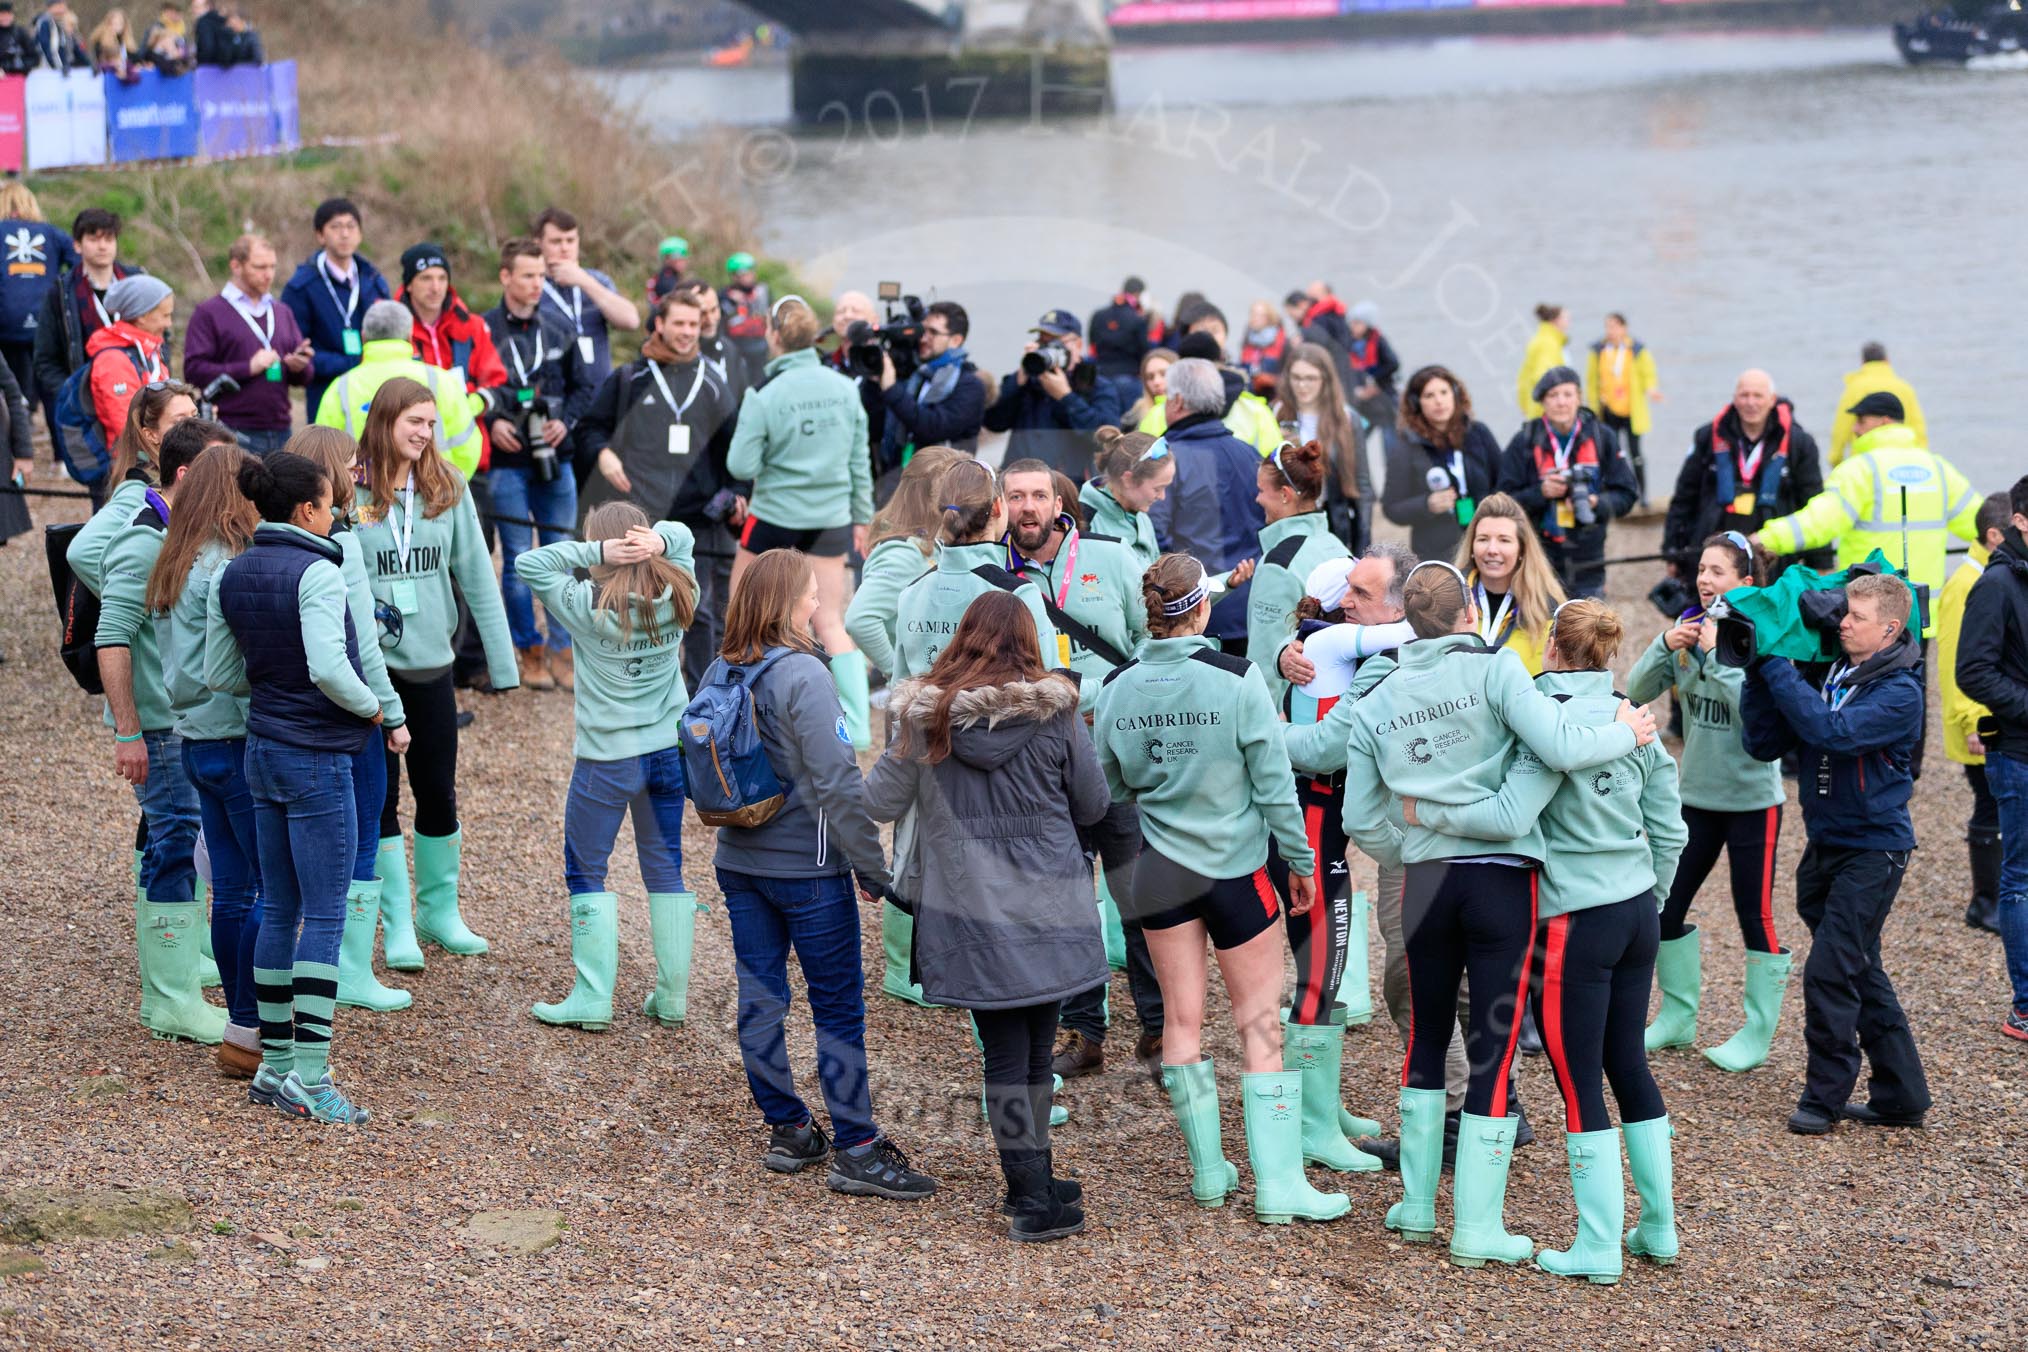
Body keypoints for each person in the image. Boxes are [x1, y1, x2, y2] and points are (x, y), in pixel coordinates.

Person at [1337, 560, 1654, 1263]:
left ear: (1404, 620)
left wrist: (1416, 839)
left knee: (1424, 1037)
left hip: (1425, 879)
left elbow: (1363, 817)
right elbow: (1563, 747)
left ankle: (1419, 1209)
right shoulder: (1498, 670)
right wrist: (1628, 733)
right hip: (1500, 884)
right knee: (1491, 1046)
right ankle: (1476, 1228)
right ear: (1465, 617)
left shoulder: (1379, 693)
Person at [1407, 599, 1686, 1284]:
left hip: (1573, 924)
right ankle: (1658, 1226)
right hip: (1635, 913)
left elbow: (1509, 813)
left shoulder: (1535, 715)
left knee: (1578, 1081)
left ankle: (1597, 1246)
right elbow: (1671, 830)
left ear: (1552, 649)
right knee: (1629, 1065)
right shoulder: (1634, 719)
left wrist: (1426, 811)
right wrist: (1648, 899)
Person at [1092, 554, 1344, 1225]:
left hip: (1160, 869)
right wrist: (1300, 860)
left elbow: (1108, 787)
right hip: (1234, 871)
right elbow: (1273, 785)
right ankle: (1278, 1185)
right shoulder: (1238, 680)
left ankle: (1208, 1173)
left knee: (1180, 1022)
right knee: (1260, 1025)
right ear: (1202, 607)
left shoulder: (1115, 687)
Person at [864, 592, 1108, 1241]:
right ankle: (1029, 1198)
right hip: (1050, 900)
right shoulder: (1058, 714)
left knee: (1010, 1050)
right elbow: (1093, 802)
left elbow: (879, 800)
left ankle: (1034, 1177)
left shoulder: (927, 718)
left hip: (969, 906)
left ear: (961, 641)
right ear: (1030, 642)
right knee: (1030, 1050)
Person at [709, 548, 937, 1201]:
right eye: (810, 595)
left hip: (738, 859)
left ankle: (788, 1127)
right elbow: (837, 782)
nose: (817, 604)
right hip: (806, 870)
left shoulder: (721, 667)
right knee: (837, 1006)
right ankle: (858, 1148)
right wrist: (870, 865)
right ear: (787, 603)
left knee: (761, 997)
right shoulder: (803, 676)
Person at [210, 451, 382, 1125]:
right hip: (316, 754)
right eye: (330, 504)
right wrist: (371, 706)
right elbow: (330, 668)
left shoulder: (235, 569)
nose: (338, 512)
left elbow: (219, 673)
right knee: (327, 915)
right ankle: (311, 1076)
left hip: (261, 751)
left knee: (280, 910)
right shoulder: (320, 570)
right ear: (307, 511)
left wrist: (271, 686)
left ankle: (276, 1069)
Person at [1742, 574, 1931, 1135]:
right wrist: (1760, 670)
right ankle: (1902, 1093)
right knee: (1858, 968)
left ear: (1890, 629)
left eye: (1857, 617)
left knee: (1829, 972)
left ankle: (1824, 1099)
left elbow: (1833, 732)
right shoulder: (1832, 669)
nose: (1842, 622)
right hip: (1827, 845)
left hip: (1875, 849)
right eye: (1844, 613)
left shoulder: (1901, 692)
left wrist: (1776, 662)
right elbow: (1764, 744)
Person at [996, 458, 1158, 1085]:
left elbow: (1153, 640)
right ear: (1001, 506)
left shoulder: (1111, 558)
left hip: (1111, 755)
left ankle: (1159, 1026)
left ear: (1058, 499)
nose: (1028, 507)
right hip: (1041, 763)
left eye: (1038, 494)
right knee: (1063, 901)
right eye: (1015, 497)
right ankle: (1082, 1031)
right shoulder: (995, 572)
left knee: (1137, 893)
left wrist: (1093, 696)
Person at [351, 379, 519, 966]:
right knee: (379, 797)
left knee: (438, 789)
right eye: (413, 422)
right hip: (371, 671)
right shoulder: (350, 488)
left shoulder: (447, 486)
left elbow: (476, 571)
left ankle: (438, 912)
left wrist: (502, 664)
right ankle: (396, 926)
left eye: (430, 422)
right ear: (386, 421)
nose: (424, 433)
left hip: (432, 667)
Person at [884, 459, 1061, 1005]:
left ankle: (910, 975)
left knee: (922, 868)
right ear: (1000, 512)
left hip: (931, 756)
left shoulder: (914, 591)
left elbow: (898, 691)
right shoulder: (1019, 595)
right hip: (1000, 773)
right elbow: (1048, 693)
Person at [517, 503, 698, 1031]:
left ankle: (593, 1000)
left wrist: (595, 551)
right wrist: (661, 544)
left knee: (587, 871)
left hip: (606, 760)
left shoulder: (581, 601)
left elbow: (531, 565)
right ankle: (672, 998)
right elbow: (683, 537)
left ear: (605, 549)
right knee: (665, 870)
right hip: (667, 752)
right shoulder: (681, 590)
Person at [79, 419, 224, 1045]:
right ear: (187, 475)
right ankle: (169, 999)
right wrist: (128, 733)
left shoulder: (178, 531)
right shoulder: (144, 540)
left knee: (180, 840)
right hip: (159, 731)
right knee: (174, 841)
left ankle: (181, 969)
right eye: (220, 471)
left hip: (180, 723)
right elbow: (109, 636)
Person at [1626, 532, 1791, 1072]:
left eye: (1717, 572)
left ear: (1745, 584)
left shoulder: (1757, 640)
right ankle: (1677, 1017)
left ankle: (1757, 1032)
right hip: (1694, 797)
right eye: (1701, 568)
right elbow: (1635, 690)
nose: (1704, 579)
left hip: (1752, 801)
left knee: (1755, 914)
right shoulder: (1690, 631)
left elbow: (1755, 720)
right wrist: (1666, 644)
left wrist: (1717, 657)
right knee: (1666, 908)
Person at [288, 427, 411, 1013]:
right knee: (360, 836)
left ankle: (302, 959)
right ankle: (352, 971)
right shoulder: (343, 541)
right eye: (352, 464)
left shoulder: (269, 541)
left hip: (288, 717)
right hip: (348, 714)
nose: (360, 473)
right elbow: (362, 640)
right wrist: (391, 713)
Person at [147, 438, 261, 1071]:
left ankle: (238, 1028)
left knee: (232, 891)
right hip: (234, 733)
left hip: (192, 737)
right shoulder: (224, 563)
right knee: (261, 888)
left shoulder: (173, 557)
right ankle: (251, 1025)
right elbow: (232, 658)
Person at [575, 290, 745, 694]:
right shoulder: (628, 379)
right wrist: (603, 456)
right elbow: (589, 429)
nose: (688, 332)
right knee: (631, 599)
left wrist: (737, 492)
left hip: (697, 517)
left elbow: (736, 450)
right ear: (660, 324)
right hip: (639, 512)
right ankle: (631, 682)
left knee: (698, 608)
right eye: (679, 323)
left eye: (694, 324)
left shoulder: (714, 383)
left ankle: (702, 693)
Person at [725, 295, 874, 747]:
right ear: (814, 338)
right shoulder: (846, 390)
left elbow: (740, 463)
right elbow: (858, 461)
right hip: (829, 518)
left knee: (745, 615)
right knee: (829, 620)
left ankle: (737, 715)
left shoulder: (765, 396)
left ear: (773, 337)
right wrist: (862, 518)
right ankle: (858, 727)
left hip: (773, 517)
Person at [1755, 391, 1981, 642]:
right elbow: (1982, 523)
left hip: (1869, 614)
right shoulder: (1938, 469)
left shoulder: (1861, 469)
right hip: (1920, 611)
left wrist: (1764, 540)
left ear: (1884, 422)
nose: (1855, 428)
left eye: (1861, 420)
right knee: (1912, 681)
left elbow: (1819, 522)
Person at [484, 237, 597, 692]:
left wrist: (565, 423)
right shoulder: (484, 329)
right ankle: (528, 650)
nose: (536, 285)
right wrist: (490, 421)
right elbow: (468, 386)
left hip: (556, 458)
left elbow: (584, 388)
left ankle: (562, 649)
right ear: (506, 276)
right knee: (516, 560)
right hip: (508, 461)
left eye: (541, 276)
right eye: (527, 275)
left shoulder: (560, 328)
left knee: (563, 558)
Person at [1957, 474, 2028, 1043]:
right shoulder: (1996, 584)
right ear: (2019, 522)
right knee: (2021, 879)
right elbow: (1972, 671)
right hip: (2018, 752)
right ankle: (2025, 1005)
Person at [1146, 358, 1265, 651]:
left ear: (1177, 401)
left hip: (1190, 615)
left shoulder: (1166, 461)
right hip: (1250, 609)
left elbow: (1153, 536)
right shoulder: (1249, 454)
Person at [1663, 369, 1828, 579]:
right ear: (1734, 399)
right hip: (1714, 550)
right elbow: (1684, 497)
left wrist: (1821, 562)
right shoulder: (1707, 437)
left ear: (1772, 400)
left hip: (1772, 556)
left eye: (1758, 396)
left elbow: (1814, 504)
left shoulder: (1800, 443)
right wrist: (1672, 551)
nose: (1751, 403)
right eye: (1744, 395)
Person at [1497, 365, 1639, 598]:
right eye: (1553, 396)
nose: (1561, 402)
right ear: (1543, 402)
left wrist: (1595, 503)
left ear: (1579, 398)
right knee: (1541, 629)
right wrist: (1540, 493)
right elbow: (1502, 501)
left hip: (1588, 556)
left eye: (1567, 394)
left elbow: (1627, 494)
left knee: (1587, 629)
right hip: (1538, 555)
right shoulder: (1524, 440)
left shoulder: (1602, 436)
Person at [1940, 493, 2013, 935]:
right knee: (1989, 807)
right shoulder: (1967, 583)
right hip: (1981, 724)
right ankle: (1984, 904)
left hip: (1995, 718)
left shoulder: (1991, 576)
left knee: (2000, 807)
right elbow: (1953, 663)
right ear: (1994, 535)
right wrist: (1974, 722)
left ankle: (1999, 897)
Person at [313, 300, 484, 478]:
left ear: (363, 338)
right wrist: (447, 489)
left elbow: (323, 454)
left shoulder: (340, 388)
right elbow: (468, 446)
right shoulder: (442, 380)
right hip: (433, 494)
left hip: (360, 499)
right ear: (411, 337)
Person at [35, 207, 143, 484]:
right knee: (103, 490)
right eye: (94, 239)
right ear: (77, 244)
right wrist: (73, 398)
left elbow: (160, 338)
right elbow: (45, 360)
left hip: (138, 400)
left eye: (108, 238)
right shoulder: (61, 292)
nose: (103, 245)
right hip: (91, 407)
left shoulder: (136, 282)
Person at [841, 445, 967, 681]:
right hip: (922, 697)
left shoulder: (929, 543)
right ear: (933, 499)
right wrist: (898, 675)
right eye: (957, 492)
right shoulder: (904, 555)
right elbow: (859, 620)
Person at [180, 235, 313, 456]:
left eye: (272, 266)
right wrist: (248, 367)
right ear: (236, 266)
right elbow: (193, 371)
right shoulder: (209, 312)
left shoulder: (281, 312)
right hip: (232, 431)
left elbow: (305, 377)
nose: (268, 274)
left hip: (281, 431)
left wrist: (301, 366)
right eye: (259, 267)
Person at [1246, 441, 1350, 709]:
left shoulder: (1278, 566)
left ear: (1284, 494)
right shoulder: (1334, 545)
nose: (1257, 499)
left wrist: (1264, 732)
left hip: (1295, 713)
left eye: (1261, 490)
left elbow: (1266, 660)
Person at [281, 198, 393, 424]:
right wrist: (352, 362)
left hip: (375, 392)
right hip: (327, 395)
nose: (344, 234)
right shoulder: (301, 287)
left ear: (360, 234)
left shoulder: (373, 279)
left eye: (351, 226)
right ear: (320, 235)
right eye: (336, 227)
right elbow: (296, 351)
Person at [1383, 364, 1503, 565]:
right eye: (1429, 396)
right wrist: (1426, 505)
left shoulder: (1479, 433)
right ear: (1416, 403)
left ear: (1455, 395)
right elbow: (1391, 507)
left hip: (1487, 544)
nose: (1439, 401)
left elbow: (1504, 483)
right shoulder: (1407, 446)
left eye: (1444, 392)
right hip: (1437, 553)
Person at [982, 309, 1121, 481]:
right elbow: (993, 422)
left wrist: (1066, 397)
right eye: (1043, 343)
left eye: (1056, 343)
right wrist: (1019, 378)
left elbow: (1107, 438)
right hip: (1017, 483)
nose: (1049, 350)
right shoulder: (1027, 381)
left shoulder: (1096, 385)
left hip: (1067, 487)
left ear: (1077, 345)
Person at [398, 242, 510, 438]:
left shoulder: (471, 325)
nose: (436, 287)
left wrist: (474, 403)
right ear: (408, 285)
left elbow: (496, 381)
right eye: (426, 278)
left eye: (442, 278)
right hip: (414, 449)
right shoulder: (394, 330)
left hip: (468, 451)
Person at [1272, 343, 1372, 551]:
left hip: (1333, 521)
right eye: (1296, 377)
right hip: (1288, 519)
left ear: (1325, 380)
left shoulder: (1346, 418)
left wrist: (1363, 543)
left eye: (1310, 378)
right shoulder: (1276, 412)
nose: (1302, 386)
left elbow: (1362, 484)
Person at [1453, 492, 1565, 675]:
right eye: (1483, 539)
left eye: (1504, 540)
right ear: (1471, 546)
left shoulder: (1547, 609)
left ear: (1522, 549)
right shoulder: (1450, 602)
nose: (1492, 550)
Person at [531, 206, 640, 389]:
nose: (565, 248)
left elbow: (631, 321)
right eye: (556, 242)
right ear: (538, 244)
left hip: (599, 397)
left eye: (570, 240)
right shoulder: (533, 286)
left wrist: (584, 281)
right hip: (555, 397)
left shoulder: (596, 280)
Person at [0, 183, 69, 455]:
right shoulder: (52, 234)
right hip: (45, 322)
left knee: (9, 388)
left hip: (5, 324)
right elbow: (79, 260)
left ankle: (12, 453)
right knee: (51, 389)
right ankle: (61, 459)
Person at [82, 274, 175, 461]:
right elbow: (127, 425)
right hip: (129, 465)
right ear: (142, 316)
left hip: (155, 456)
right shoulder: (114, 360)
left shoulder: (150, 351)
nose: (169, 323)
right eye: (165, 315)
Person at [879, 300, 986, 462]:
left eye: (933, 333)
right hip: (903, 477)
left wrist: (892, 390)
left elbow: (933, 428)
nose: (923, 338)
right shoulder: (917, 374)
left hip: (947, 482)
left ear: (956, 340)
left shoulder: (970, 385)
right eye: (922, 330)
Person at [1585, 312, 1662, 507]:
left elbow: (1648, 373)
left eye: (1614, 326)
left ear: (1623, 328)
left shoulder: (1636, 350)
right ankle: (1611, 492)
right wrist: (1591, 406)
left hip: (1631, 410)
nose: (1610, 331)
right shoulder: (1599, 350)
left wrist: (1652, 389)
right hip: (1608, 409)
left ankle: (1643, 495)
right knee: (1610, 453)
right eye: (1608, 327)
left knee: (1635, 453)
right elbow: (1591, 380)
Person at [1078, 426, 1171, 570]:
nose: (1162, 497)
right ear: (1128, 479)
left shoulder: (1140, 515)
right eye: (1157, 489)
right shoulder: (1086, 523)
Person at [1829, 342, 1927, 468]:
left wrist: (1836, 459)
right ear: (1887, 360)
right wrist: (1922, 460)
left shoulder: (1855, 388)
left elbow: (1841, 429)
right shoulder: (1905, 388)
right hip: (1903, 464)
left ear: (1863, 362)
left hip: (1863, 464)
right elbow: (1918, 428)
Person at [1342, 301, 1399, 436]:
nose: (1352, 327)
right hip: (1361, 400)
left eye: (1357, 323)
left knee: (1390, 431)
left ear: (1367, 324)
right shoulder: (1351, 341)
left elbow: (1393, 364)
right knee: (1358, 432)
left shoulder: (1378, 341)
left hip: (1382, 393)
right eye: (1352, 323)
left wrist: (1373, 380)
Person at [1088, 275, 1153, 390]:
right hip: (1128, 377)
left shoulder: (1098, 316)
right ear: (1139, 295)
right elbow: (1144, 351)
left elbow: (1092, 343)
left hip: (1100, 376)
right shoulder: (1138, 320)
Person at [718, 251, 771, 378]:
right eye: (743, 274)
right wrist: (731, 302)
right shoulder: (725, 296)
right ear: (734, 277)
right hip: (737, 348)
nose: (748, 277)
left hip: (760, 346)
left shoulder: (762, 291)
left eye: (750, 273)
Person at [1515, 303, 1568, 419]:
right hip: (1546, 413)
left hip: (1534, 407)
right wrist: (1561, 404)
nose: (1568, 323)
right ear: (1556, 321)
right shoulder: (1548, 343)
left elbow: (1523, 377)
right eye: (1566, 319)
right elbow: (1542, 377)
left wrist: (1524, 403)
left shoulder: (1540, 339)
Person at [1123, 346, 1175, 432]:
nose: (1156, 382)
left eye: (1164, 374)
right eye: (1150, 377)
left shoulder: (1194, 412)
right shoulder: (1133, 418)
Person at [1238, 300, 1289, 382]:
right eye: (1252, 314)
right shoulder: (1248, 337)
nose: (1254, 318)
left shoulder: (1281, 340)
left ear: (1269, 318)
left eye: (1259, 315)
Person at [33, 0, 85, 71]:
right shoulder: (44, 23)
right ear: (52, 7)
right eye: (61, 4)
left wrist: (90, 65)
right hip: (48, 71)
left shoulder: (61, 23)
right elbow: (47, 49)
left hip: (63, 70)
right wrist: (59, 68)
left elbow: (76, 49)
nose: (64, 7)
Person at [142, 1, 192, 73]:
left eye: (177, 11)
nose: (174, 14)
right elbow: (145, 50)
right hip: (159, 68)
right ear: (165, 11)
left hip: (177, 68)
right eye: (171, 10)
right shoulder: (156, 28)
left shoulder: (182, 30)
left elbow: (186, 52)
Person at [88, 7, 138, 75]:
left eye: (120, 24)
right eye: (114, 23)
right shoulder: (100, 41)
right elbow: (99, 61)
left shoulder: (125, 40)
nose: (117, 27)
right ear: (108, 24)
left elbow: (135, 58)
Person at [647, 235, 689, 306]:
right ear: (667, 260)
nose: (682, 262)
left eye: (682, 258)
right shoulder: (666, 281)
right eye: (677, 259)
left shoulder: (670, 276)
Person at [0, 3, 40, 74]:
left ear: (12, 15)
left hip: (18, 77)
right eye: (2, 14)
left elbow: (35, 57)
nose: (5, 17)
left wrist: (18, 65)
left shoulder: (20, 33)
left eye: (8, 14)